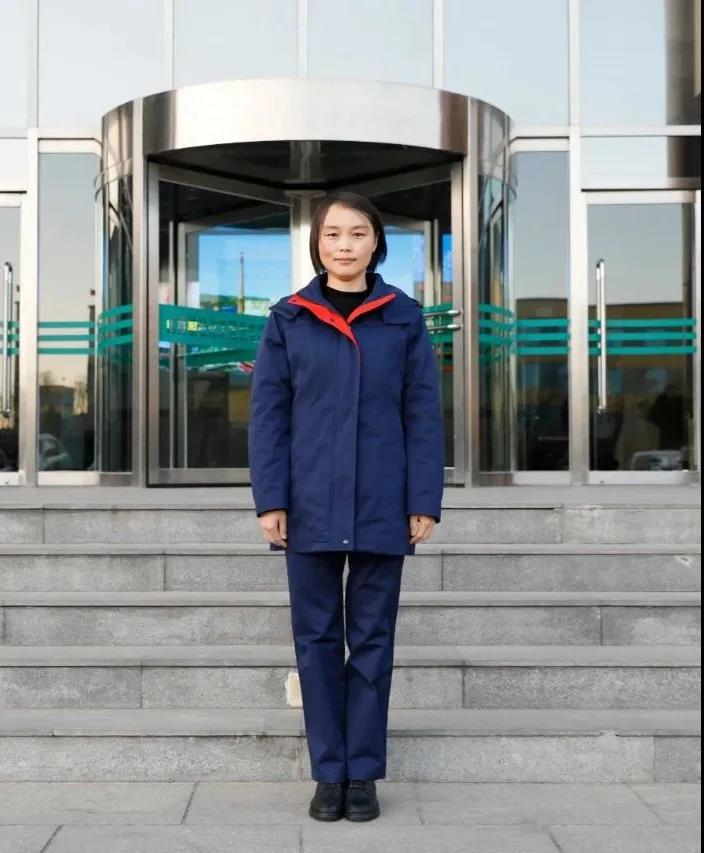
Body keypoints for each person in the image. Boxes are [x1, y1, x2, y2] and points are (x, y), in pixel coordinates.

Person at [248, 191, 444, 822]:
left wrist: (423, 499)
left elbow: (422, 414)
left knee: (372, 640)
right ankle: (327, 773)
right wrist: (271, 500)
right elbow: (269, 417)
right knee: (315, 640)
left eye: (357, 233)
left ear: (375, 243)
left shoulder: (403, 318)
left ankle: (363, 773)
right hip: (307, 503)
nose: (344, 245)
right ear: (318, 244)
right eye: (333, 234)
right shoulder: (289, 318)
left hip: (383, 501)